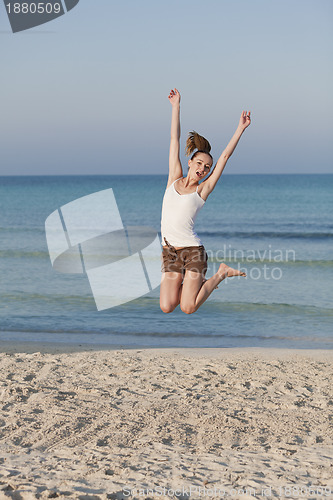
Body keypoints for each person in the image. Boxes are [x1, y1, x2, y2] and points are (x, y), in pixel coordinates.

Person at [160, 88, 251, 314]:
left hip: (193, 252)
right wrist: (176, 107)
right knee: (167, 306)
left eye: (207, 167)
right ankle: (191, 284)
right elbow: (174, 138)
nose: (203, 169)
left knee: (188, 307)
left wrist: (240, 129)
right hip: (169, 252)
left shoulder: (203, 190)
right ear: (190, 162)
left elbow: (225, 157)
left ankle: (221, 273)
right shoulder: (173, 178)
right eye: (200, 163)